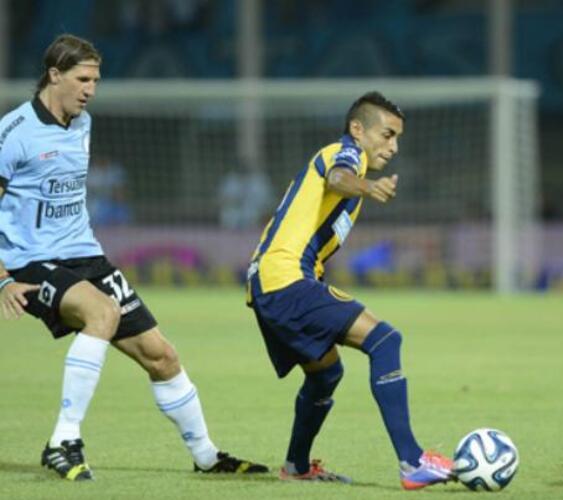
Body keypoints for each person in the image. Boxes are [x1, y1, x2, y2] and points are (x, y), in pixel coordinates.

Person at [0, 34, 267, 481]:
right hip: (32, 263)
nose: (90, 89)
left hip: (87, 256)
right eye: (83, 79)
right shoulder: (14, 133)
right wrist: (3, 278)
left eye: (96, 80)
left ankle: (206, 455)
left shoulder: (83, 124)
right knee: (101, 314)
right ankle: (63, 441)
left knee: (162, 356)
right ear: (54, 75)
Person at [246, 91, 455, 489]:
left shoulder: (350, 162)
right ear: (358, 129)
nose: (392, 147)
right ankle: (413, 463)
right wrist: (368, 186)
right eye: (387, 134)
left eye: (397, 139)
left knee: (325, 375)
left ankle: (297, 466)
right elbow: (338, 177)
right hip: (286, 279)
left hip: (271, 283)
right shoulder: (345, 153)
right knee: (386, 340)